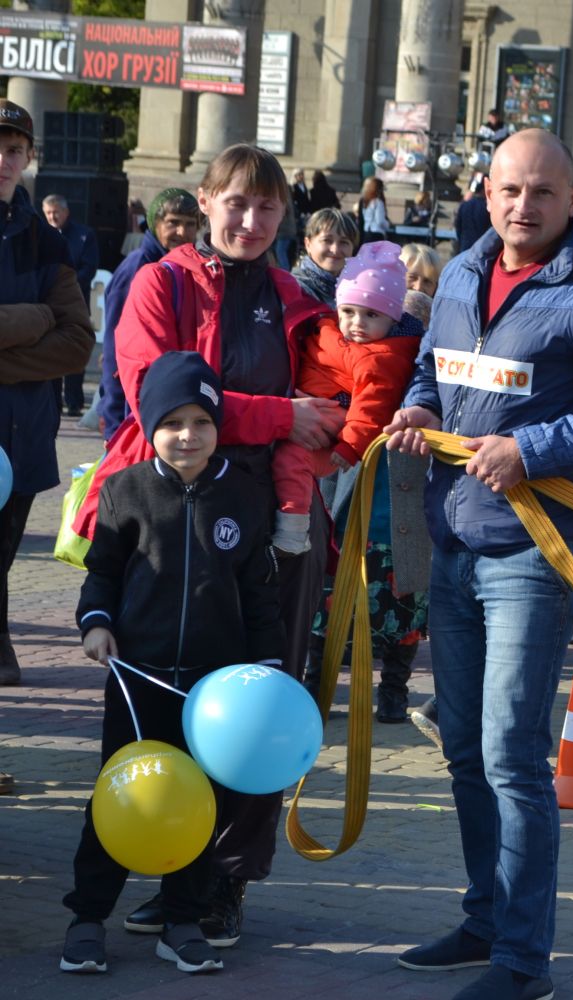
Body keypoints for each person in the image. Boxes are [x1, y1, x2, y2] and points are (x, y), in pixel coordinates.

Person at [382, 128, 573, 1000]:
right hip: (453, 539)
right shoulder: (462, 271)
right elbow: (434, 372)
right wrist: (416, 408)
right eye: (510, 189)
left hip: (534, 556)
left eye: (543, 191)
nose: (524, 205)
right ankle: (485, 918)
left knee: (511, 752)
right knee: (465, 749)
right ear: (487, 192)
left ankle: (522, 960)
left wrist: (531, 449)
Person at [77, 142, 342, 948]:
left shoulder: (298, 299)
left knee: (255, 712)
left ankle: (223, 880)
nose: (252, 220)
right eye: (237, 202)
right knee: (158, 711)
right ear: (205, 201)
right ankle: (156, 868)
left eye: (268, 207)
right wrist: (278, 414)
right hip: (166, 520)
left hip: (271, 529)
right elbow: (155, 394)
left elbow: (331, 407)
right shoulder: (160, 282)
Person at [62, 353, 281, 977]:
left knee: (199, 804)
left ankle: (182, 921)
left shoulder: (244, 494)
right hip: (139, 681)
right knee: (119, 795)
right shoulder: (124, 490)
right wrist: (96, 623)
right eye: (173, 423)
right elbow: (101, 575)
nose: (189, 435)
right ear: (150, 425)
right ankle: (87, 918)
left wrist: (266, 668)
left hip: (216, 693)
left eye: (202, 422)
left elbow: (261, 593)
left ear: (218, 426)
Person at [0, 98, 94, 698]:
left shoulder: (45, 240)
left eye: (13, 150)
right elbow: (51, 328)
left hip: (23, 430)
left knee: (4, 547)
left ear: (29, 157)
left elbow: (77, 343)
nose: (2, 161)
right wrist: (31, 319)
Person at [270, 240, 423, 555]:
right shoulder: (328, 330)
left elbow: (374, 404)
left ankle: (293, 528)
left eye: (371, 315)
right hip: (308, 406)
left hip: (338, 419)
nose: (357, 323)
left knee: (292, 460)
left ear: (393, 319)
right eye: (348, 312)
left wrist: (351, 445)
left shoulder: (382, 357)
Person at [97, 188, 200, 439]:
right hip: (132, 407)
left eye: (190, 224)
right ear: (155, 224)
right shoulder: (138, 266)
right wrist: (113, 416)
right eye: (173, 223)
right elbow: (114, 345)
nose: (182, 232)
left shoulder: (186, 265)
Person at [42, 194, 99, 417]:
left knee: (74, 351)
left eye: (56, 212)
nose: (52, 217)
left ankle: (74, 401)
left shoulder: (84, 235)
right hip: (49, 306)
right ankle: (54, 402)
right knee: (51, 353)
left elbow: (89, 267)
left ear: (66, 212)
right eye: (48, 213)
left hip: (77, 303)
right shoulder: (40, 235)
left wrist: (66, 286)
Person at [292, 207, 358, 305]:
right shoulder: (295, 289)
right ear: (308, 244)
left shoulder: (358, 287)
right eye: (327, 240)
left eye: (344, 242)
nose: (335, 250)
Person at [454, 185, 489, 253]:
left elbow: (458, 225)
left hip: (465, 244)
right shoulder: (486, 207)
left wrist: (461, 239)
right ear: (483, 191)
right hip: (480, 245)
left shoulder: (464, 205)